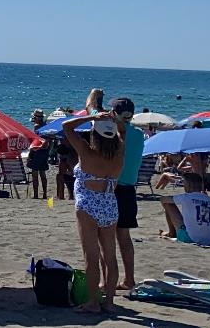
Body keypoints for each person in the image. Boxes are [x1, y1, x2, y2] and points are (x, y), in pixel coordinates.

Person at [61, 111, 125, 314]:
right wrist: (114, 121)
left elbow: (67, 127)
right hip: (109, 204)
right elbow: (123, 131)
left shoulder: (87, 153)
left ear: (95, 135)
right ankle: (110, 302)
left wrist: (92, 118)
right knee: (110, 255)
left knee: (91, 256)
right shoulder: (120, 152)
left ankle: (92, 302)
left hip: (88, 204)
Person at [109, 97, 144, 291]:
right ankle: (129, 278)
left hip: (113, 187)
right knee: (124, 237)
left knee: (106, 237)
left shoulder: (112, 133)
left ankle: (108, 281)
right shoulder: (139, 135)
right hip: (129, 189)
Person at [160, 173, 210, 246]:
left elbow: (163, 199)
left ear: (187, 185)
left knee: (168, 203)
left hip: (191, 239)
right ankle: (172, 233)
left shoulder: (186, 197)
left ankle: (172, 233)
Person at [28, 110, 50, 200]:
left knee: (35, 173)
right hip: (45, 151)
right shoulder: (46, 126)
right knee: (43, 173)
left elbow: (35, 141)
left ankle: (36, 194)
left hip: (37, 151)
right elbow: (48, 140)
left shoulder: (36, 126)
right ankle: (45, 194)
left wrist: (30, 154)